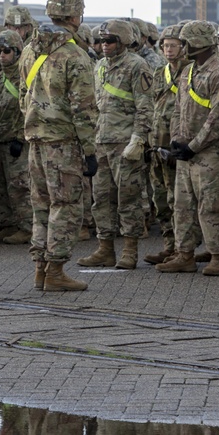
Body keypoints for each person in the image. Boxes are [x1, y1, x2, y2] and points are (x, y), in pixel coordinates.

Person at [20, 0, 98, 291]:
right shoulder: (74, 55)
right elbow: (84, 108)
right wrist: (89, 149)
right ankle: (55, 271)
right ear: (76, 16)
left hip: (36, 139)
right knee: (65, 205)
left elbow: (23, 94)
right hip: (64, 142)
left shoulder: (30, 50)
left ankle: (40, 269)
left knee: (41, 205)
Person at [157, 20, 219, 275]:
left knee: (213, 205)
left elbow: (218, 117)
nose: (182, 48)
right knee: (182, 204)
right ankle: (184, 253)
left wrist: (193, 145)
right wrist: (176, 138)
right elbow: (178, 108)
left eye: (186, 43)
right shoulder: (189, 71)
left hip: (210, 152)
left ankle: (218, 256)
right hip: (186, 150)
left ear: (201, 43)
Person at [77, 19, 154, 270]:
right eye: (100, 41)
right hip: (102, 141)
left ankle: (130, 250)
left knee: (128, 199)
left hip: (125, 143)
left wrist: (138, 139)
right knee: (101, 199)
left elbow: (145, 107)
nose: (104, 46)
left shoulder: (137, 66)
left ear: (123, 41)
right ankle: (105, 249)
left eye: (109, 41)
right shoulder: (99, 66)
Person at [144, 23, 188, 265]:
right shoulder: (160, 73)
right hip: (156, 143)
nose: (168, 50)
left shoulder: (190, 72)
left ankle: (182, 249)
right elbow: (151, 106)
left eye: (174, 45)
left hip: (175, 145)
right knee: (160, 200)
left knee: (177, 201)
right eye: (165, 45)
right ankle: (168, 245)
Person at [0, 30, 33, 245]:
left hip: (15, 143)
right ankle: (9, 223)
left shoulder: (25, 77)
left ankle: (27, 226)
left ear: (18, 52)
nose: (2, 55)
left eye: (7, 51)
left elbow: (31, 109)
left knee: (19, 188)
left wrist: (20, 137)